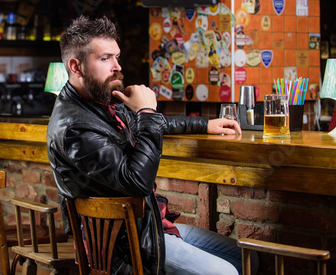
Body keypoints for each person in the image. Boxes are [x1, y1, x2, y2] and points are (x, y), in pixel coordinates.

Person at [47, 15, 258, 274]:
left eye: (117, 57)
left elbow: (147, 125)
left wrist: (204, 124)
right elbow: (136, 182)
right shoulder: (74, 127)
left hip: (147, 226)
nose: (116, 66)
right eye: (105, 58)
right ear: (76, 66)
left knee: (247, 257)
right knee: (225, 272)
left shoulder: (99, 102)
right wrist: (146, 110)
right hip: (120, 245)